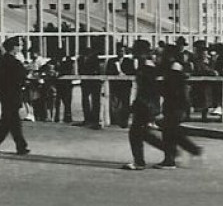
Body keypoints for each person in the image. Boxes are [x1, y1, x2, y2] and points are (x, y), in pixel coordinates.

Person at [122, 41, 202, 170]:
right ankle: (176, 154)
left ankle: (146, 161)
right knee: (156, 132)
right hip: (156, 104)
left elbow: (154, 89)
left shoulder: (150, 67)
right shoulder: (153, 66)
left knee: (142, 132)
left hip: (154, 104)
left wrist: (147, 106)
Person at [0, 36, 31, 157]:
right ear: (14, 48)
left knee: (13, 121)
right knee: (8, 122)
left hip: (4, 95)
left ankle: (21, 146)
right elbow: (21, 79)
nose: (20, 48)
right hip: (13, 95)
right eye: (18, 45)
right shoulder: (15, 63)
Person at [77, 44, 103, 128]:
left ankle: (95, 120)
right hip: (85, 82)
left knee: (95, 101)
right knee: (85, 100)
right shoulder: (80, 59)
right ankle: (87, 119)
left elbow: (97, 70)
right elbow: (80, 70)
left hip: (95, 83)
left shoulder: (95, 58)